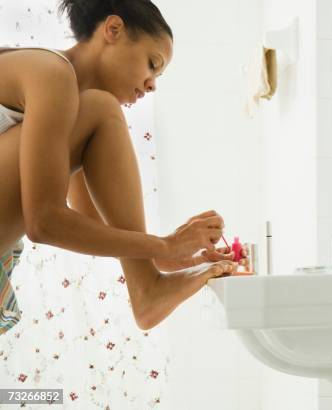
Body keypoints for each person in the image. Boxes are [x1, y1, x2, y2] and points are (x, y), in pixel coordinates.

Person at [0, 0, 245, 334]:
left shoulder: (69, 106)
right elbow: (44, 222)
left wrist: (166, 256)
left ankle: (148, 284)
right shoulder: (51, 73)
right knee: (99, 108)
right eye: (152, 63)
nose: (152, 84)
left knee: (97, 108)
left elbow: (87, 222)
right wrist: (164, 245)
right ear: (113, 30)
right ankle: (147, 289)